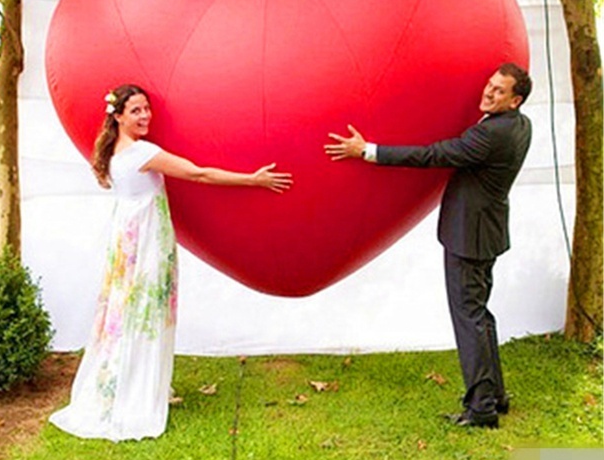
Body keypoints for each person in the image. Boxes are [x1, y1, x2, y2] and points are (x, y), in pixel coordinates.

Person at [50, 84, 293, 441]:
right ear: (118, 116)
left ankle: (129, 386)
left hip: (127, 242)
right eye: (136, 110)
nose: (145, 116)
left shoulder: (113, 153)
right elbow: (198, 174)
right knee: (144, 313)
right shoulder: (142, 153)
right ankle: (137, 396)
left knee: (125, 314)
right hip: (145, 244)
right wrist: (252, 179)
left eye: (147, 109)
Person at [324, 63, 532, 429]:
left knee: (469, 318)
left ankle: (481, 409)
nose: (488, 92)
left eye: (499, 91)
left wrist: (367, 151)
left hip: (470, 236)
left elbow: (433, 155)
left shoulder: (490, 136)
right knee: (480, 316)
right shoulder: (520, 125)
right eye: (489, 85)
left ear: (515, 100)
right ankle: (494, 396)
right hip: (487, 231)